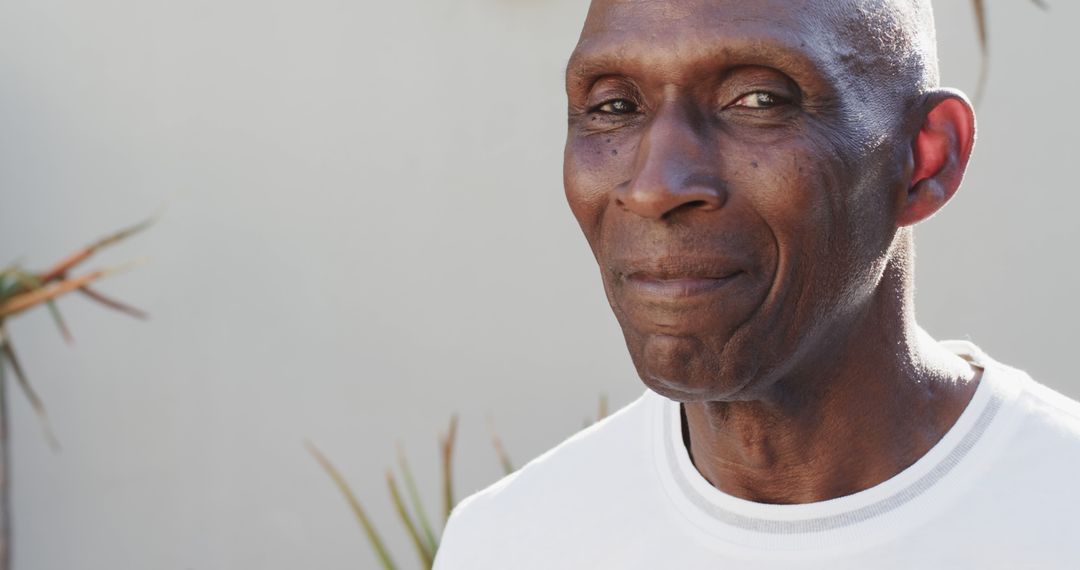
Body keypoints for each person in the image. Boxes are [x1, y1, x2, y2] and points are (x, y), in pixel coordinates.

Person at [433, 0, 1080, 567]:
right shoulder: (509, 543)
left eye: (758, 100)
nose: (656, 185)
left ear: (925, 158)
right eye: (614, 106)